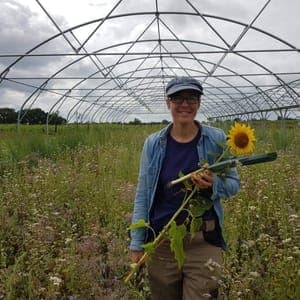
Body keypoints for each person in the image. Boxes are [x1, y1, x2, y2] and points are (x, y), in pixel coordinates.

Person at [129, 76, 240, 299]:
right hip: (162, 241)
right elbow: (144, 192)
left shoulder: (216, 138)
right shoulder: (154, 143)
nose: (185, 104)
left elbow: (233, 185)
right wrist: (137, 243)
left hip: (203, 241)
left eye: (191, 98)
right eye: (177, 98)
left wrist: (212, 185)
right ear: (168, 103)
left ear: (199, 103)